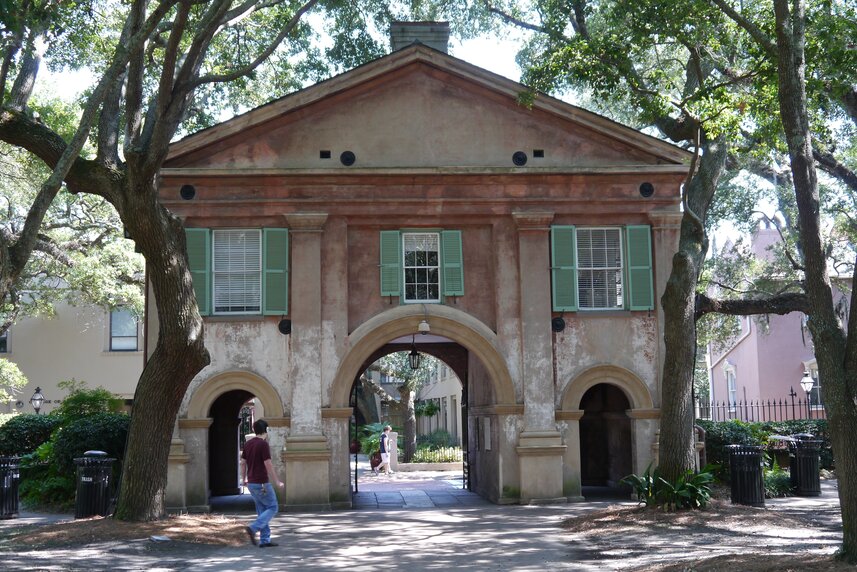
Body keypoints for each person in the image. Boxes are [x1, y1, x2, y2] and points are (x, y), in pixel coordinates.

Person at [241, 419, 284, 548]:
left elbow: (242, 463)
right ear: (266, 430)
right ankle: (253, 528)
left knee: (262, 510)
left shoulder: (248, 444)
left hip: (252, 483)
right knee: (273, 507)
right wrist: (276, 481)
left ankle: (265, 540)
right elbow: (268, 464)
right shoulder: (263, 444)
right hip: (262, 483)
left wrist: (243, 479)